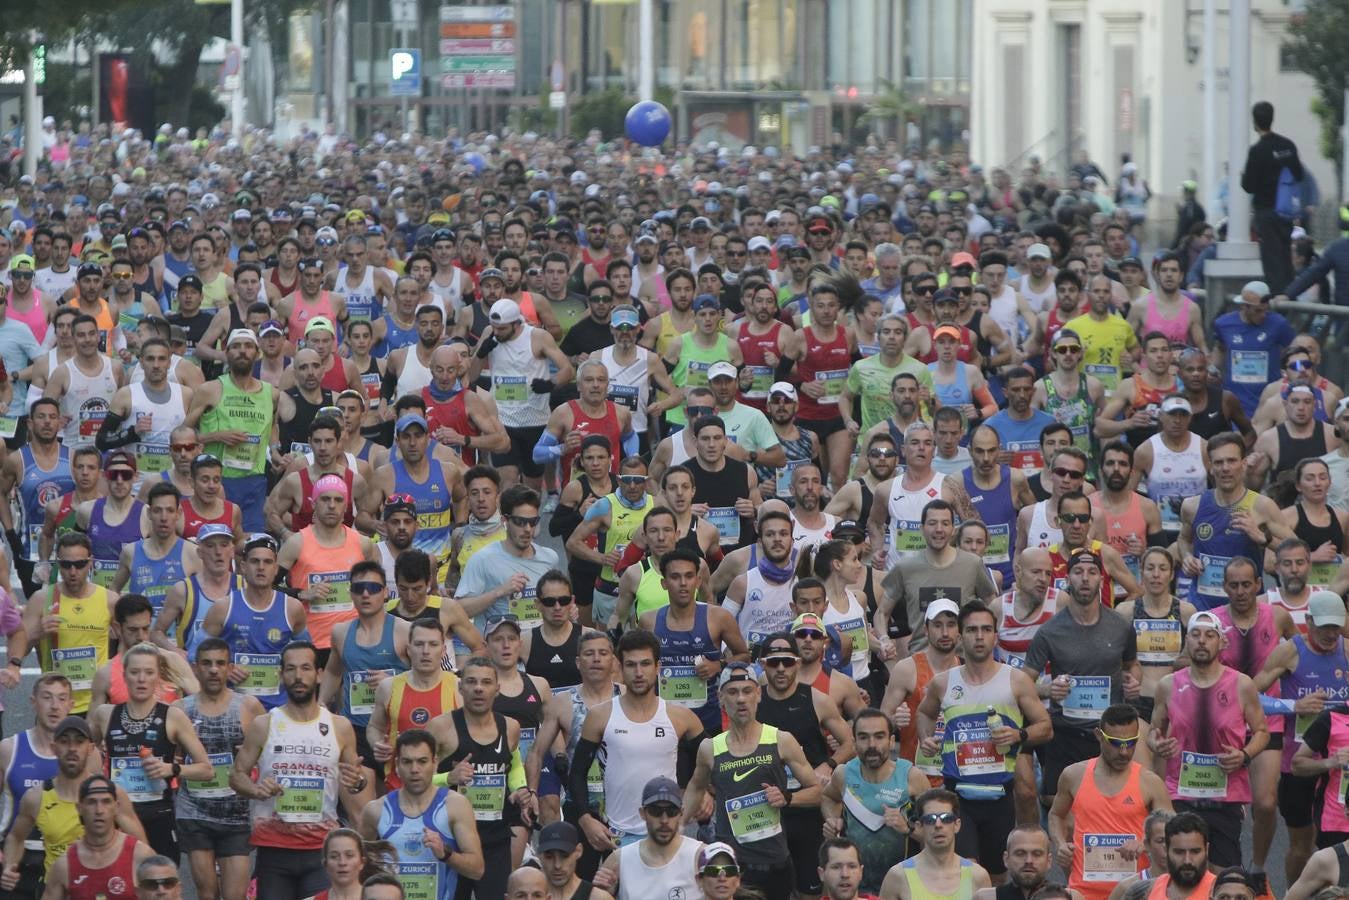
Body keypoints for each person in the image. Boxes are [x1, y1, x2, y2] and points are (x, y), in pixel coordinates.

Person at [916, 601, 1053, 880]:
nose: (979, 636)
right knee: (967, 872)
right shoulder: (944, 682)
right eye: (972, 630)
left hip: (1000, 793)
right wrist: (926, 739)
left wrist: (1019, 735)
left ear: (995, 635)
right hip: (958, 795)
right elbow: (924, 712)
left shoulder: (1016, 680)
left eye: (986, 629)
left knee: (996, 876)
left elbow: (1046, 728)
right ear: (960, 636)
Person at [229, 641, 371, 900]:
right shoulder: (264, 724)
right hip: (273, 849)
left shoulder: (339, 726)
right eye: (291, 669)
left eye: (305, 668)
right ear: (281, 675)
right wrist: (256, 789)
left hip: (320, 850)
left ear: (318, 674)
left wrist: (357, 782)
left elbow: (355, 780)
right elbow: (236, 775)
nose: (298, 676)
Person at [679, 660, 822, 898]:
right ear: (721, 698)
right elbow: (695, 787)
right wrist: (679, 826)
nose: (741, 699)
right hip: (733, 868)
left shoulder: (780, 740)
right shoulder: (709, 748)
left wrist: (787, 798)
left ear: (758, 694)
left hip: (775, 862)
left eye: (747, 691)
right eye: (733, 692)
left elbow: (817, 792)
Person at [1023, 550, 1142, 809]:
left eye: (1092, 572)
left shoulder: (1121, 626)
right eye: (1078, 572)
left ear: (1102, 578)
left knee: (1111, 801)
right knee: (1056, 800)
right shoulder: (1049, 631)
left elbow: (1132, 665)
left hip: (1109, 736)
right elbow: (1024, 684)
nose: (1085, 578)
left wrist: (1133, 683)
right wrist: (1047, 688)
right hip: (1066, 731)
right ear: (1067, 579)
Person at [569, 630, 706, 850]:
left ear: (658, 667)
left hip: (668, 834)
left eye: (645, 664)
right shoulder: (600, 716)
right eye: (631, 665)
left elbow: (713, 761)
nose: (639, 672)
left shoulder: (681, 717)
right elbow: (576, 772)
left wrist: (705, 791)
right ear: (620, 668)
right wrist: (585, 819)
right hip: (619, 837)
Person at [1253, 591, 1349, 887]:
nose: (1331, 634)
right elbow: (1250, 697)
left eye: (1336, 626)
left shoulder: (1347, 651)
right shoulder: (1290, 652)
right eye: (1324, 627)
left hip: (1339, 767)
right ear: (1308, 622)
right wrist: (1293, 705)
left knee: (1339, 847)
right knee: (1301, 846)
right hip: (1298, 763)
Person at [427, 654, 536, 900]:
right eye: (472, 682)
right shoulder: (440, 727)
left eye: (486, 683)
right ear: (461, 687)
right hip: (452, 839)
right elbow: (418, 782)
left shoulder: (510, 727)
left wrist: (520, 789)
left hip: (495, 839)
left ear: (497, 689)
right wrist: (448, 778)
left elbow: (514, 764)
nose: (478, 688)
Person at [1049, 703, 1173, 900]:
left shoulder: (1150, 782)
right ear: (1099, 735)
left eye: (1131, 742)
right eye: (1115, 743)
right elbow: (1056, 814)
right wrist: (1061, 844)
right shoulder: (1074, 775)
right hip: (1083, 891)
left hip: (1134, 892)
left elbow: (1172, 829)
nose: (1124, 751)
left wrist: (1144, 842)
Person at [172, 638, 263, 900]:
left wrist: (251, 757)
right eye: (207, 664)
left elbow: (266, 754)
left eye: (220, 663)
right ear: (196, 668)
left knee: (235, 895)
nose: (213, 670)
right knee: (207, 893)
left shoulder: (248, 706)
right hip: (194, 811)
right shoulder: (180, 709)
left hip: (236, 814)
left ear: (229, 667)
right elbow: (174, 758)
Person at [358, 728, 484, 900]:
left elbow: (477, 869)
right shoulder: (375, 811)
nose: (414, 769)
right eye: (407, 762)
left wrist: (445, 854)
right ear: (397, 765)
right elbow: (358, 870)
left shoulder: (456, 805)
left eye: (422, 761)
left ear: (435, 763)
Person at [319, 560, 411, 787]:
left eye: (373, 588)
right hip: (356, 731)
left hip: (396, 729)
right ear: (351, 593)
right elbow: (333, 670)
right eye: (359, 589)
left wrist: (395, 682)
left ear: (386, 593)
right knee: (361, 803)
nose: (366, 594)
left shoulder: (404, 631)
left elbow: (430, 677)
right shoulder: (341, 632)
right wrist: (321, 702)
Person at [822, 707, 931, 895]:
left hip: (902, 886)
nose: (872, 744)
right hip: (856, 888)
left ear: (891, 741)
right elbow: (828, 797)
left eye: (879, 736)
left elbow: (935, 837)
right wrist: (832, 821)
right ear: (854, 743)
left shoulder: (912, 777)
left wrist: (908, 828)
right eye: (864, 737)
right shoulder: (843, 774)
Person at [1178, 433, 1291, 611]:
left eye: (1231, 461)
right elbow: (1184, 540)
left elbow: (1296, 551)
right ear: (1210, 467)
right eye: (1219, 462)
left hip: (1246, 609)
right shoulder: (1192, 506)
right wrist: (1186, 557)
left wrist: (1263, 538)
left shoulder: (1262, 506)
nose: (1225, 468)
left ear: (1244, 464)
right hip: (1202, 607)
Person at [186, 327, 279, 532]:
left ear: (257, 352)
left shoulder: (271, 394)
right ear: (226, 353)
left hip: (254, 481)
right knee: (217, 543)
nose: (242, 351)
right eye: (236, 347)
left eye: (248, 346)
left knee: (251, 543)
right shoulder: (209, 390)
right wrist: (216, 436)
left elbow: (273, 424)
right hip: (217, 481)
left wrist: (275, 450)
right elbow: (183, 436)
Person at [878, 499, 998, 646]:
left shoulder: (972, 564)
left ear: (953, 529)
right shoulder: (905, 566)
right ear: (922, 528)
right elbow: (882, 613)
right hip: (921, 660)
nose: (939, 529)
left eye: (945, 523)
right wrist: (884, 639)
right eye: (932, 523)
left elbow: (994, 606)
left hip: (963, 661)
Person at [40, 775, 154, 900]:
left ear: (116, 807)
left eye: (106, 802)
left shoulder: (140, 855)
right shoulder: (64, 865)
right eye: (91, 802)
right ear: (79, 808)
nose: (99, 810)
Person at [878, 789, 993, 900]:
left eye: (946, 818)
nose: (938, 825)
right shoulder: (898, 876)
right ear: (919, 827)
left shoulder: (978, 876)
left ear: (957, 825)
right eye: (930, 819)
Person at [1211, 282, 1297, 418]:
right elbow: (1220, 348)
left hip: (1268, 403)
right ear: (1244, 306)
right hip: (1235, 403)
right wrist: (1212, 370)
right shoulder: (1224, 324)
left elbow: (1294, 353)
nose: (1263, 315)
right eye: (1257, 311)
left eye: (1265, 310)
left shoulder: (1279, 324)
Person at [1242, 100, 1303, 290]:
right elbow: (1299, 175)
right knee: (1286, 260)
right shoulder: (1288, 145)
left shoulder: (1257, 151)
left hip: (1266, 213)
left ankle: (1279, 303)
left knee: (1272, 263)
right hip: (1285, 211)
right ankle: (1289, 296)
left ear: (1255, 122)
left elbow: (1248, 186)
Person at [1137, 812, 1217, 900]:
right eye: (1179, 852)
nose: (1187, 861)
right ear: (1166, 850)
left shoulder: (1221, 892)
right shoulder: (1146, 891)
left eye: (1195, 852)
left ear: (1207, 849)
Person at [534, 820, 615, 900]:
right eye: (549, 857)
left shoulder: (597, 897)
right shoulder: (528, 894)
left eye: (565, 856)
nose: (557, 865)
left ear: (579, 851)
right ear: (539, 855)